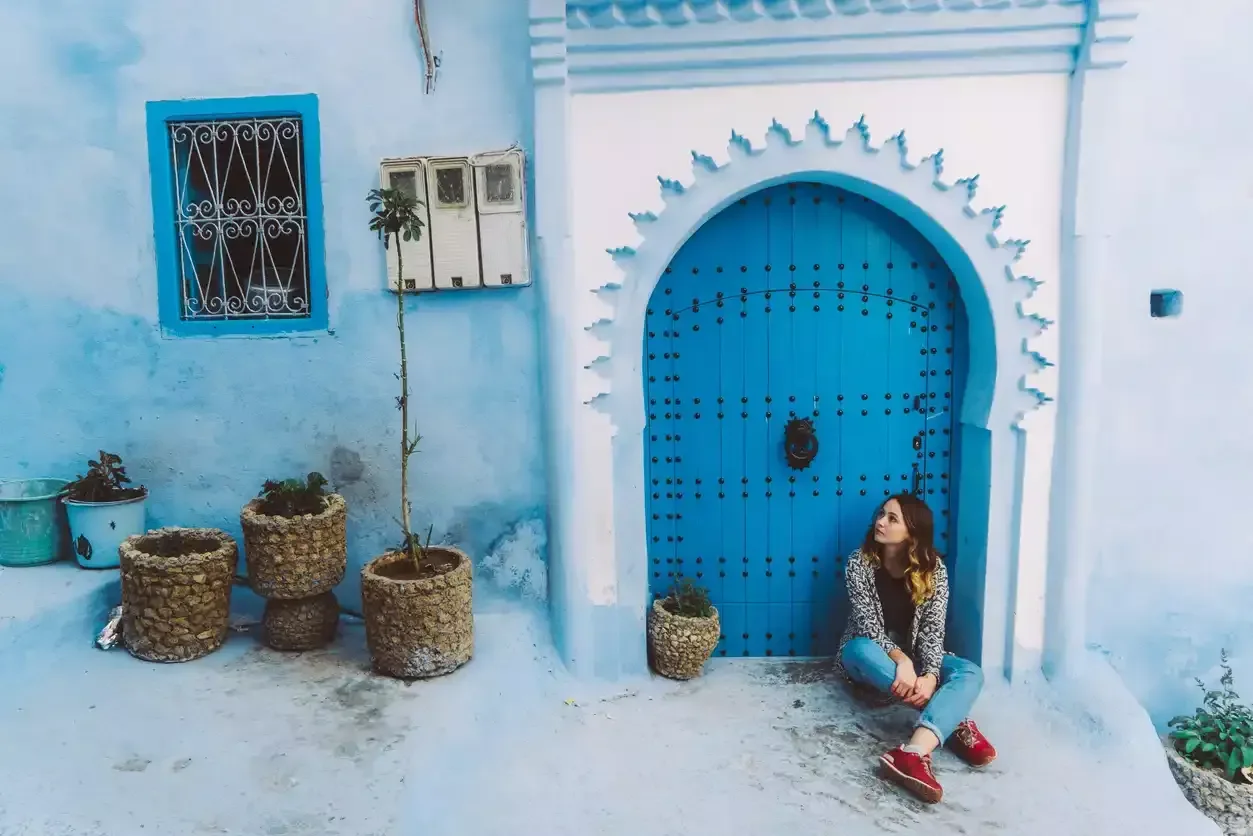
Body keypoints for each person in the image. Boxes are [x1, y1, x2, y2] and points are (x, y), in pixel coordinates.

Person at [833, 493, 997, 804]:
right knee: (860, 650)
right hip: (869, 657)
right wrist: (901, 660)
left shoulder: (934, 569)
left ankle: (913, 752)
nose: (880, 522)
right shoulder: (860, 563)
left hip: (918, 661)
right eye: (882, 514)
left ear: (912, 531)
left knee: (970, 672)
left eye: (892, 518)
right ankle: (954, 720)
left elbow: (934, 631)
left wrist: (932, 674)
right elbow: (868, 626)